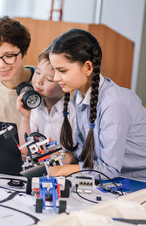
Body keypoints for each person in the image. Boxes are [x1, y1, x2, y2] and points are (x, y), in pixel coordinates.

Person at [47, 28, 146, 180]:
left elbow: (109, 169)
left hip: (137, 181)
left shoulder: (113, 104)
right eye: (54, 70)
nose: (55, 78)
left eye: (62, 70)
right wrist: (69, 157)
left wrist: (62, 171)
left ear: (87, 67)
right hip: (119, 178)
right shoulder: (80, 96)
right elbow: (87, 149)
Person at [16, 47, 76, 154]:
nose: (39, 81)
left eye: (49, 79)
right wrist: (25, 116)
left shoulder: (74, 113)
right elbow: (24, 151)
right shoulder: (35, 107)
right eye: (38, 72)